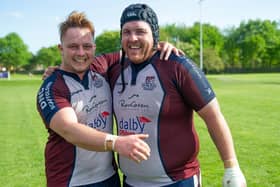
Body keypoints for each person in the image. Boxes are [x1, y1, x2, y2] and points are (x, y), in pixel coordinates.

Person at [106, 3, 247, 187]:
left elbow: (213, 115)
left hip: (178, 181)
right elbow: (78, 65)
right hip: (131, 182)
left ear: (154, 34)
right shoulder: (113, 70)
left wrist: (231, 167)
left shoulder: (176, 65)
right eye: (126, 32)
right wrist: (55, 72)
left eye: (140, 31)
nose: (133, 38)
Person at [38, 11, 182, 187]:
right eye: (73, 46)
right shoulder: (52, 87)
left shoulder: (102, 66)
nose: (81, 53)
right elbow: (69, 129)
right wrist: (116, 142)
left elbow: (137, 49)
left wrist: (158, 45)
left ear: (94, 47)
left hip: (109, 179)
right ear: (61, 48)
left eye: (87, 46)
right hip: (70, 181)